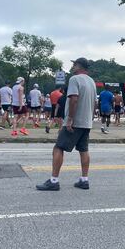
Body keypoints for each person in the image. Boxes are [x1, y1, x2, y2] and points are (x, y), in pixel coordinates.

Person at [37, 57, 97, 191]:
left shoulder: (74, 79)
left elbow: (74, 100)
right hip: (86, 122)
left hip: (75, 121)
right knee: (84, 150)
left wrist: (70, 119)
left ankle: (54, 180)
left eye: (74, 64)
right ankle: (84, 179)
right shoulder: (91, 81)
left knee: (58, 148)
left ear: (79, 66)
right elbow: (94, 103)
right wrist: (90, 118)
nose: (73, 67)